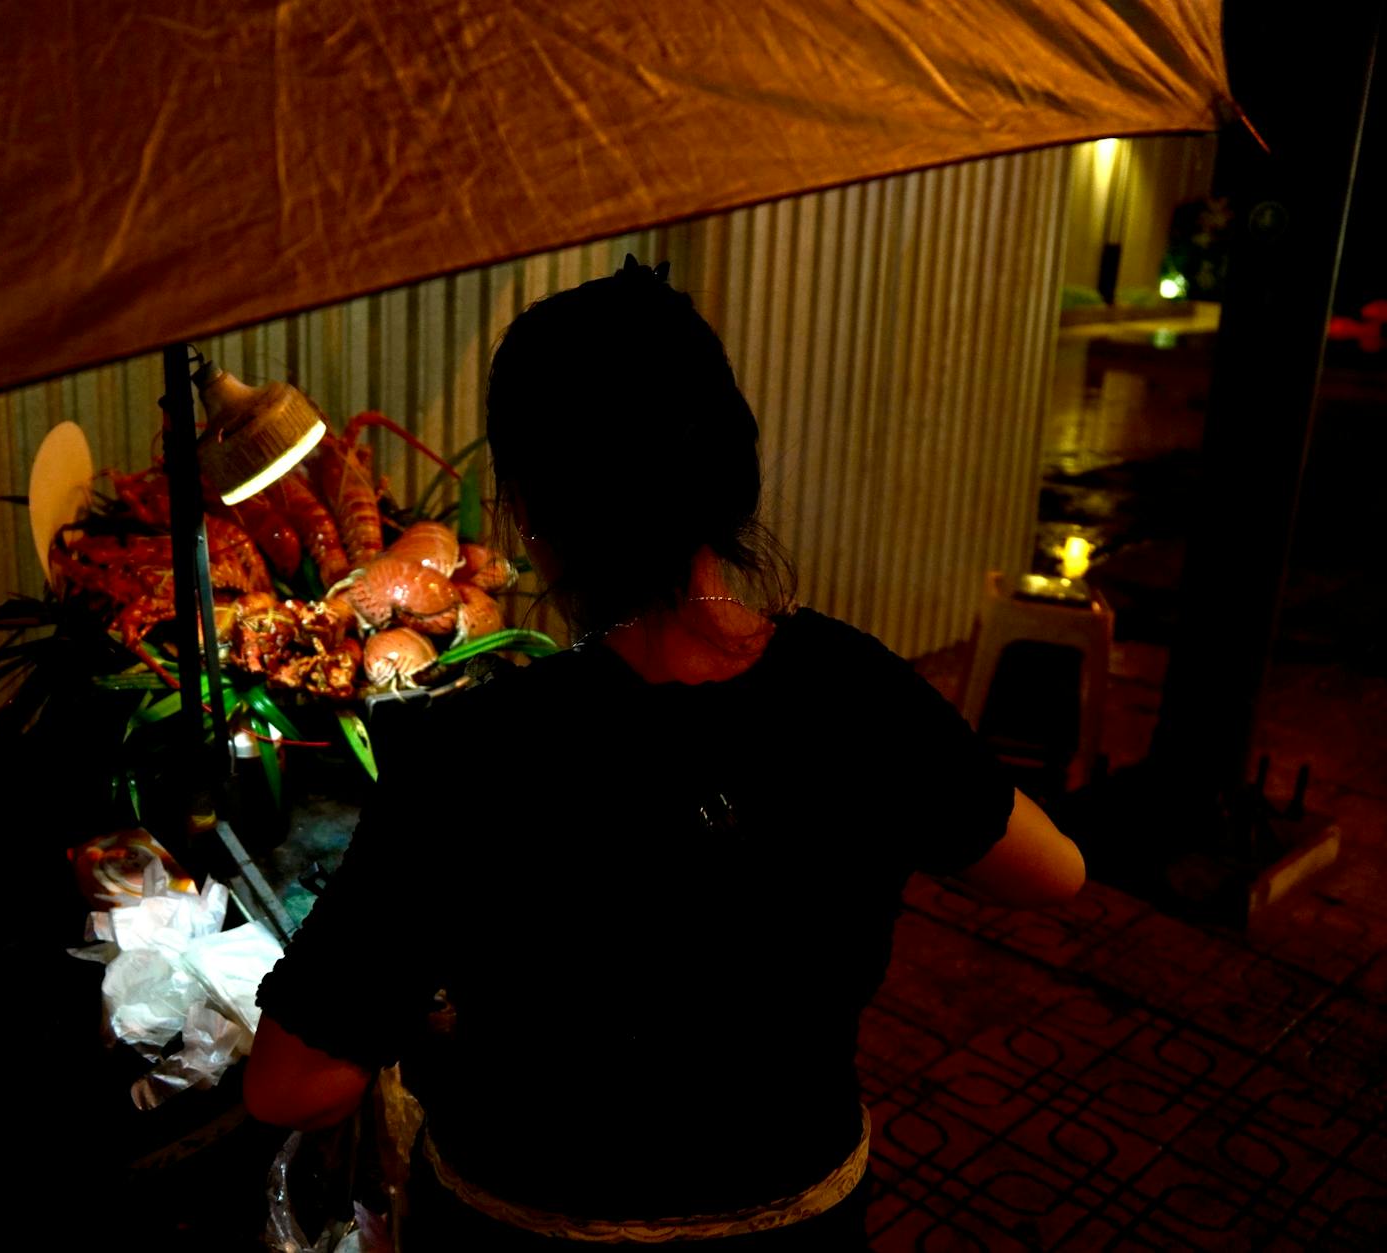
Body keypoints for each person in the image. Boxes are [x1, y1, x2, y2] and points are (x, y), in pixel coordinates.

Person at [245, 256, 1086, 1248]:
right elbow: (1051, 870)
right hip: (799, 1217)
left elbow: (289, 1081)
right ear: (729, 472)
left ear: (525, 509)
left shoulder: (471, 750)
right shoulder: (853, 686)